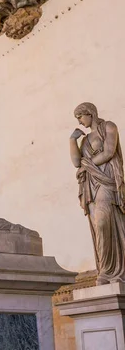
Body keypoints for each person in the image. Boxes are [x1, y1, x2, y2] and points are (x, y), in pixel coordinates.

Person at [70, 102, 125, 284]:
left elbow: (109, 152)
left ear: (90, 114)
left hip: (107, 181)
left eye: (80, 117)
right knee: (97, 226)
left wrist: (89, 165)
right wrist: (72, 141)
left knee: (103, 222)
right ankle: (105, 271)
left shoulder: (108, 127)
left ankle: (113, 270)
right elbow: (78, 162)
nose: (79, 121)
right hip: (91, 186)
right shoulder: (85, 140)